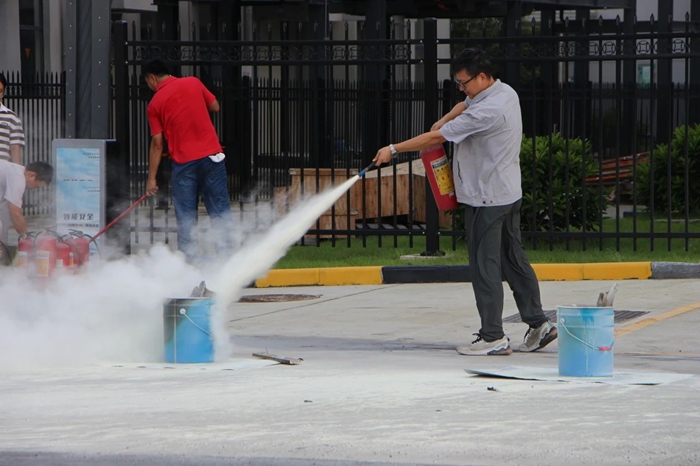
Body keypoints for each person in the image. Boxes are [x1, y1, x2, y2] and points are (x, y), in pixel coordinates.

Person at [373, 48, 557, 356]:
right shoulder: (503, 92)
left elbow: (436, 139)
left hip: (486, 198)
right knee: (514, 260)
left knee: (485, 267)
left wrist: (393, 148)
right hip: (507, 194)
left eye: (465, 82)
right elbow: (463, 104)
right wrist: (443, 118)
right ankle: (539, 325)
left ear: (482, 77)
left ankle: (492, 337)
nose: (462, 88)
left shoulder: (486, 113)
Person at [142, 60, 233, 262]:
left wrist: (151, 179)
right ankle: (228, 260)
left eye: (147, 82)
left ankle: (189, 265)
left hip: (185, 164)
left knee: (186, 217)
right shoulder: (193, 82)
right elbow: (215, 107)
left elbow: (157, 144)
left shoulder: (155, 104)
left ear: (152, 78)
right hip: (212, 157)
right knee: (220, 210)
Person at [0, 160, 53, 262]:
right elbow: (15, 212)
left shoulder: (13, 171)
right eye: (36, 186)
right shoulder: (17, 178)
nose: (33, 190)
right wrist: (26, 237)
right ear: (31, 175)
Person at [0, 73, 25, 165]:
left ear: (3, 93)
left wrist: (17, 174)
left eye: (0, 91)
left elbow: (15, 148)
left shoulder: (12, 117)